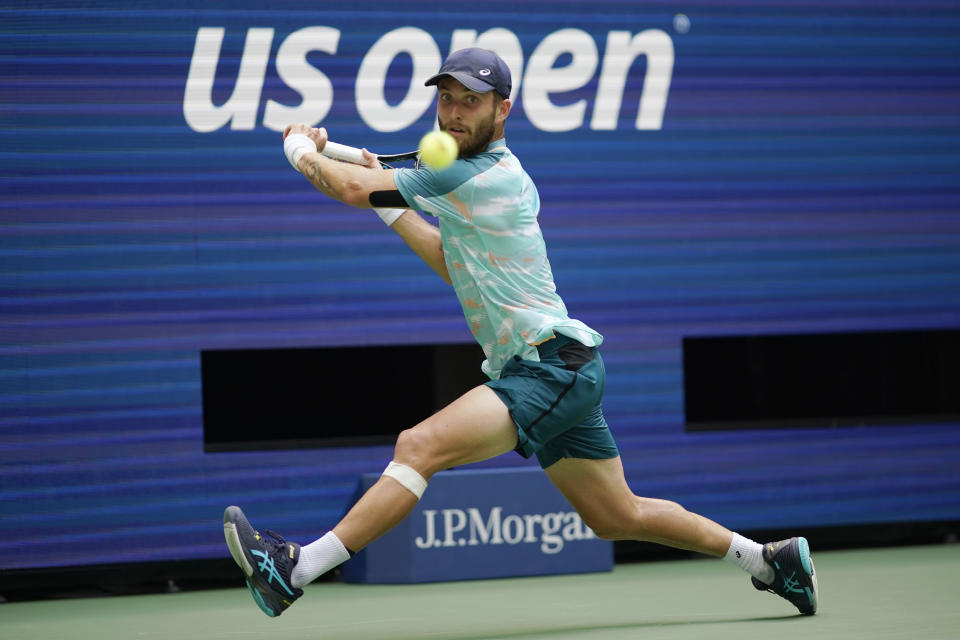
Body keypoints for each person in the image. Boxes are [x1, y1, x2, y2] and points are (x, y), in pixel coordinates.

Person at [223, 48, 818, 619]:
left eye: (471, 102)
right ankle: (769, 561)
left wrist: (303, 151)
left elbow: (351, 188)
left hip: (551, 366)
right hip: (552, 368)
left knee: (418, 446)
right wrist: (384, 198)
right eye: (447, 99)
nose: (454, 112)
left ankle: (292, 571)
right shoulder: (468, 178)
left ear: (502, 110)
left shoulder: (477, 176)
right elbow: (448, 258)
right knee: (617, 515)